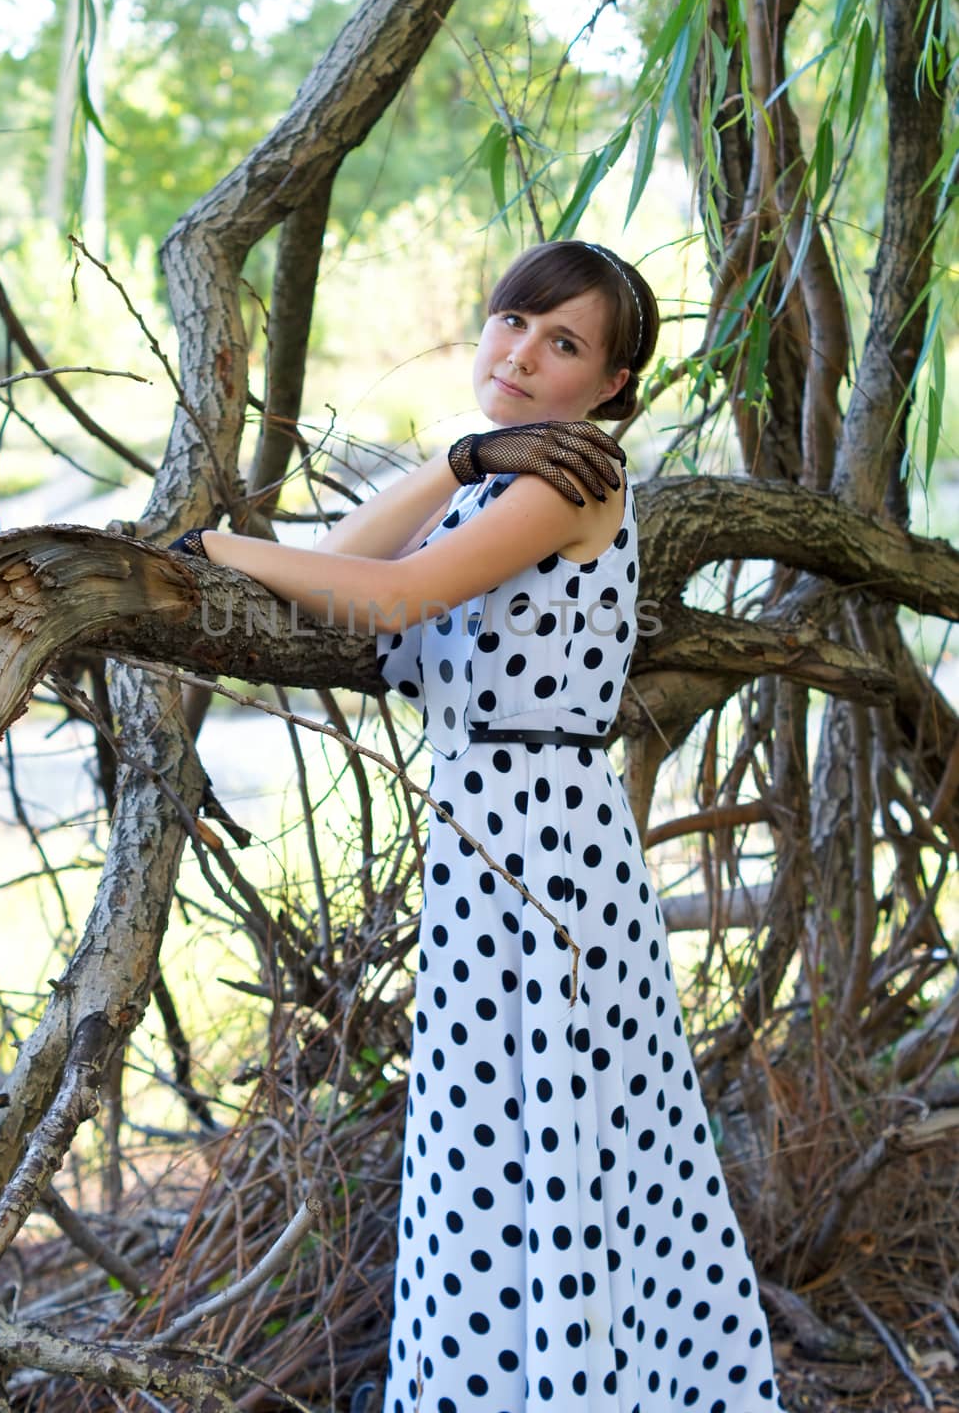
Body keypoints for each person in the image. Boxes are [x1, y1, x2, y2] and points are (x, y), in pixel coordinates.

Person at [168, 239, 787, 1413]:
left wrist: (200, 550)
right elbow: (338, 560)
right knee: (496, 1151)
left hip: (543, 848)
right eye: (512, 322)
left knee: (555, 1145)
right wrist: (464, 453)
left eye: (564, 344)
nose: (521, 353)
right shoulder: (506, 475)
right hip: (491, 837)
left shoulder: (573, 480)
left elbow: (384, 596)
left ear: (608, 386)